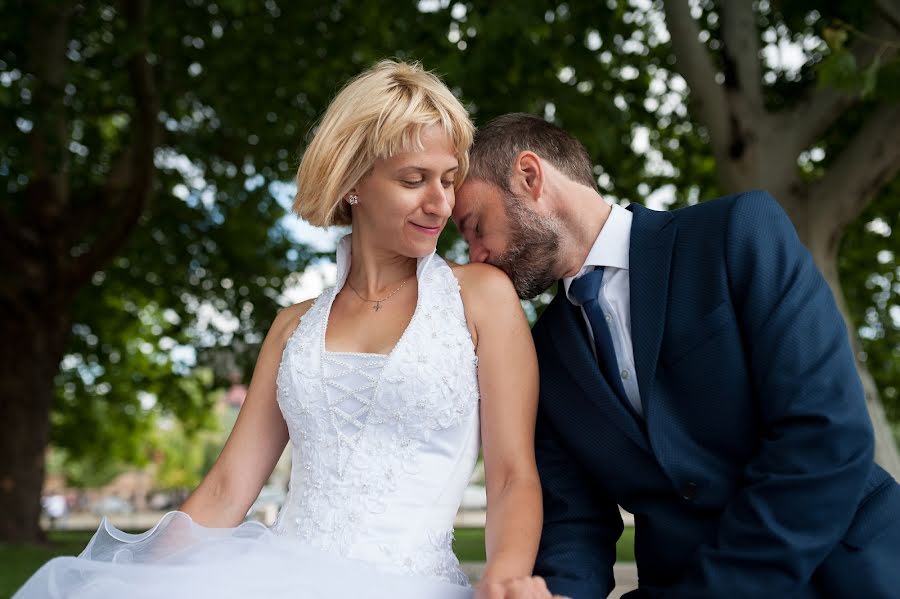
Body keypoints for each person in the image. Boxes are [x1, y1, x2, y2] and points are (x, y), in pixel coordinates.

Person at [15, 63, 559, 599]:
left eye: (447, 179)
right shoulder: (291, 329)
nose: (440, 203)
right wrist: (136, 582)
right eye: (413, 180)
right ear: (352, 183)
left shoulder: (481, 297)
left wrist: (504, 580)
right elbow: (227, 489)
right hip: (274, 578)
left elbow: (512, 474)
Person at [452, 112, 900, 598]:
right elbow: (575, 517)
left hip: (848, 574)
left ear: (529, 176)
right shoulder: (543, 354)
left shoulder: (736, 234)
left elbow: (826, 436)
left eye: (476, 226)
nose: (476, 254)